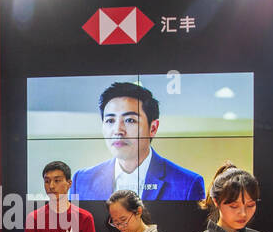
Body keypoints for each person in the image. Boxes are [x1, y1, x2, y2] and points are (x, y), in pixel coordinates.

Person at [70, 82, 205, 202]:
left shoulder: (187, 184)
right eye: (110, 121)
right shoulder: (82, 180)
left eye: (130, 120)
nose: (118, 130)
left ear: (153, 128)